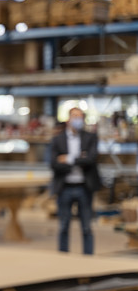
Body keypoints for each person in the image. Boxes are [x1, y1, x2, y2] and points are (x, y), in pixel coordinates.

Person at [50, 107, 102, 255]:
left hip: (84, 187)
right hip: (65, 187)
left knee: (86, 227)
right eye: (74, 116)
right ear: (68, 119)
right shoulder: (57, 139)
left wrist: (68, 158)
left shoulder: (90, 137)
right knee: (64, 225)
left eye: (80, 117)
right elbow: (54, 164)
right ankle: (63, 257)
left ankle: (88, 258)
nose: (77, 119)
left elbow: (91, 159)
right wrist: (80, 158)